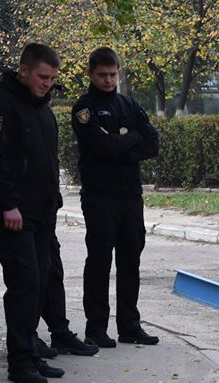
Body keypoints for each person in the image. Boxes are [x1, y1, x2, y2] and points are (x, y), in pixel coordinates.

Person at [0, 43, 66, 383]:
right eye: (43, 77)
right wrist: (7, 204)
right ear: (24, 70)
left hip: (43, 210)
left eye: (52, 79)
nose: (48, 84)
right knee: (24, 282)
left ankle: (31, 351)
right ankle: (20, 362)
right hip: (14, 213)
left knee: (41, 280)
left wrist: (54, 198)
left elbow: (47, 159)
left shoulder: (41, 108)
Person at [71, 46, 159, 348]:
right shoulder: (84, 109)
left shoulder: (128, 104)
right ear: (91, 74)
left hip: (130, 195)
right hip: (100, 196)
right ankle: (96, 328)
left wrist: (121, 143)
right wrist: (130, 140)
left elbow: (152, 143)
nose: (108, 80)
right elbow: (101, 146)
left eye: (113, 74)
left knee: (130, 260)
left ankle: (129, 326)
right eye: (102, 75)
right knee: (99, 262)